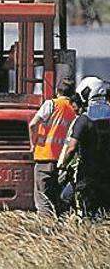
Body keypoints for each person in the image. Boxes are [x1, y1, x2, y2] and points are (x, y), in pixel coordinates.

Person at [57, 76, 110, 218]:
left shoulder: (83, 120)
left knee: (67, 199)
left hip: (87, 175)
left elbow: (71, 148)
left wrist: (62, 166)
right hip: (107, 175)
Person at [28, 77, 76, 215]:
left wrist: (33, 143)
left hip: (44, 157)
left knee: (43, 199)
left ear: (57, 90)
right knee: (57, 198)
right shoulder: (74, 108)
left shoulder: (51, 104)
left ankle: (46, 230)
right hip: (64, 160)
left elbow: (33, 124)